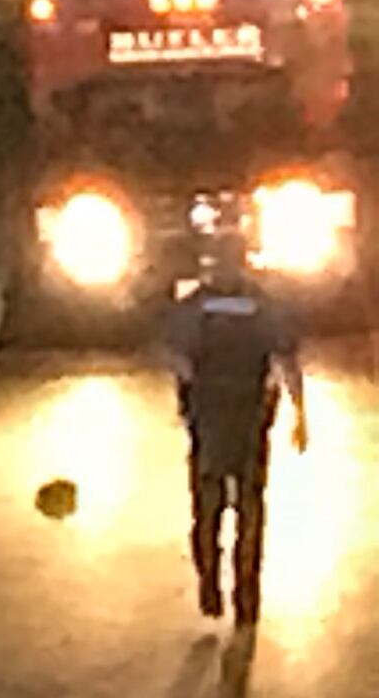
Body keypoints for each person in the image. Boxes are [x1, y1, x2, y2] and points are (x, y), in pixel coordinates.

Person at [162, 229, 308, 626]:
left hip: (211, 419)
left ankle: (210, 583)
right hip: (249, 418)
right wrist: (299, 413)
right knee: (250, 509)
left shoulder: (195, 306)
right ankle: (246, 597)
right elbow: (286, 358)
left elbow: (177, 356)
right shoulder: (262, 305)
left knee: (208, 509)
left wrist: (191, 393)